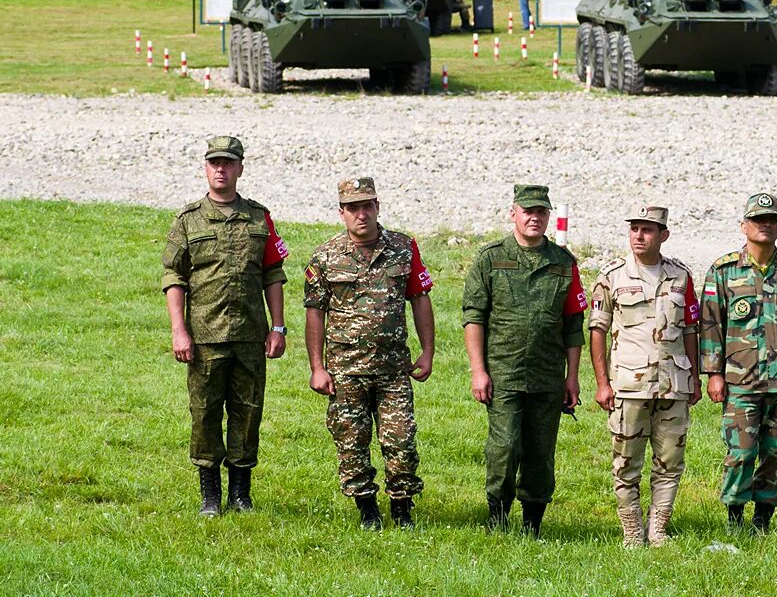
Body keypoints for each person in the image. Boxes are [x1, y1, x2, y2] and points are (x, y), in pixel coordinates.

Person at [161, 136, 289, 517]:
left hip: (251, 336)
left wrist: (277, 327)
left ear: (240, 169)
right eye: (215, 163)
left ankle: (240, 493)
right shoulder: (188, 219)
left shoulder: (258, 217)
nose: (221, 169)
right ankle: (210, 496)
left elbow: (273, 273)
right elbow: (173, 276)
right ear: (206, 168)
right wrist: (179, 330)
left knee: (248, 413)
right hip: (204, 338)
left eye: (229, 163)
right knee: (204, 412)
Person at [303, 177, 435, 530]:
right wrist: (317, 367)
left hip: (394, 369)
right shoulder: (325, 257)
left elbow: (420, 299)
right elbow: (315, 311)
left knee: (401, 441)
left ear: (377, 207)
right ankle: (367, 510)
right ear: (341, 212)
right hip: (346, 371)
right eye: (353, 208)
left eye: (367, 206)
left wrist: (427, 352)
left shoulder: (404, 249)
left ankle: (402, 509)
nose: (361, 214)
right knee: (351, 442)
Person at [462, 184, 587, 537]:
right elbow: (474, 316)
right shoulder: (491, 258)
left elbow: (573, 323)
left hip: (548, 375)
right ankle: (497, 519)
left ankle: (533, 524)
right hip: (503, 373)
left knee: (540, 453)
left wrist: (572, 377)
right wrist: (478, 371)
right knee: (504, 448)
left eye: (541, 212)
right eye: (528, 211)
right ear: (513, 213)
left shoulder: (563, 263)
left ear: (548, 216)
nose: (535, 218)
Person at [700, 193, 777, 533]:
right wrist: (713, 373)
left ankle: (763, 520)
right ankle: (735, 519)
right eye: (758, 220)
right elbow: (710, 325)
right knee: (740, 453)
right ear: (744, 226)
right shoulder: (723, 270)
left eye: (772, 219)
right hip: (741, 380)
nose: (765, 225)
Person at [589, 205, 702, 547]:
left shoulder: (681, 277)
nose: (639, 235)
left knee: (670, 461)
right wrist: (602, 383)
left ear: (663, 235)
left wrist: (694, 376)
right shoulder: (612, 276)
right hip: (629, 385)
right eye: (635, 228)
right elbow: (597, 329)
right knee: (626, 464)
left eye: (648, 229)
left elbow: (691, 329)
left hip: (673, 384)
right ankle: (632, 531)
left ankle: (659, 528)